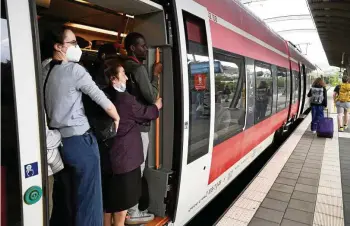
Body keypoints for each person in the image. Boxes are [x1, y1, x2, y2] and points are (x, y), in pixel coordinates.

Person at [44, 27, 120, 226]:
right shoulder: (74, 70)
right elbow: (100, 97)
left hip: (60, 143)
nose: (77, 47)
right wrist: (116, 115)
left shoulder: (44, 68)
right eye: (73, 43)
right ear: (58, 46)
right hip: (81, 142)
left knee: (68, 198)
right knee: (89, 199)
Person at [102, 62, 162, 226]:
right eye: (123, 74)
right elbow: (147, 113)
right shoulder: (125, 100)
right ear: (114, 79)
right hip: (125, 161)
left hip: (108, 159)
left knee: (107, 204)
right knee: (121, 208)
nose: (127, 78)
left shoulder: (102, 95)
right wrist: (157, 106)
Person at [123, 32, 162, 220]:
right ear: (132, 48)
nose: (146, 49)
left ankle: (125, 211)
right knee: (137, 169)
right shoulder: (138, 69)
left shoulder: (122, 66)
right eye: (143, 46)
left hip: (124, 127)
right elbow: (152, 97)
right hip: (140, 127)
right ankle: (132, 212)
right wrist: (155, 75)